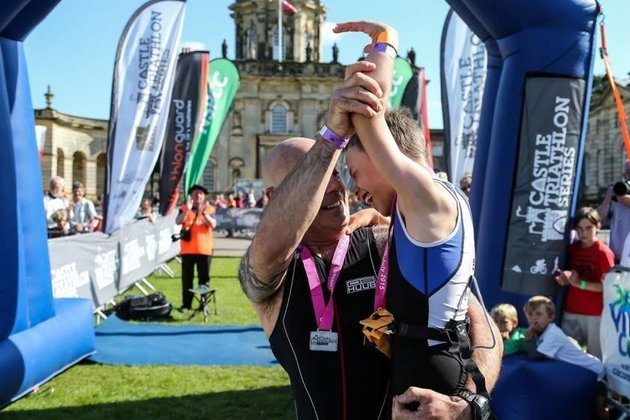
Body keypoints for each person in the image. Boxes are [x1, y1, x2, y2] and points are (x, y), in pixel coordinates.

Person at [238, 51, 501, 419]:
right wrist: (331, 136)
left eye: (333, 170)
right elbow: (270, 245)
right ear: (273, 197)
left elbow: (482, 327)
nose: (333, 186)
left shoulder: (386, 237)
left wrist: (468, 405)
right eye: (311, 176)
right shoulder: (273, 272)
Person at [335, 21, 487, 409]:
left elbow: (367, 113)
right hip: (433, 361)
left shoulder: (428, 197)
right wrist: (375, 218)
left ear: (389, 153)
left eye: (355, 173)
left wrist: (385, 42)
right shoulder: (435, 200)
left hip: (428, 371)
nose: (355, 190)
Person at [553, 207, 615, 359]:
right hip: (571, 311)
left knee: (597, 358)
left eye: (588, 228)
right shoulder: (573, 248)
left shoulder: (604, 252)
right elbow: (570, 277)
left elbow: (609, 287)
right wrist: (564, 279)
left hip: (595, 315)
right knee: (566, 355)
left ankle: (598, 384)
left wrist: (580, 284)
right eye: (579, 229)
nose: (584, 233)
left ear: (598, 227)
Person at [523, 296, 603, 378]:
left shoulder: (552, 333)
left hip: (592, 370)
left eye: (538, 314)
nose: (533, 318)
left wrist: (530, 339)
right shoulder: (540, 332)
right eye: (530, 314)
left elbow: (535, 356)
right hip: (575, 370)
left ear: (551, 317)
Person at [175, 184, 217, 313]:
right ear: (191, 196)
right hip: (188, 251)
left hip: (204, 251)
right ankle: (186, 305)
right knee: (187, 279)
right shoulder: (184, 208)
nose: (198, 196)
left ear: (204, 196)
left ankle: (203, 304)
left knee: (204, 279)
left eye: (200, 193)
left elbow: (213, 224)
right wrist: (187, 210)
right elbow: (178, 221)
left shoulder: (210, 209)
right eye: (195, 194)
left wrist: (204, 213)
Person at [597, 160, 630, 262]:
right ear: (624, 175)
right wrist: (608, 199)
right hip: (617, 259)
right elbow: (596, 220)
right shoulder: (617, 196)